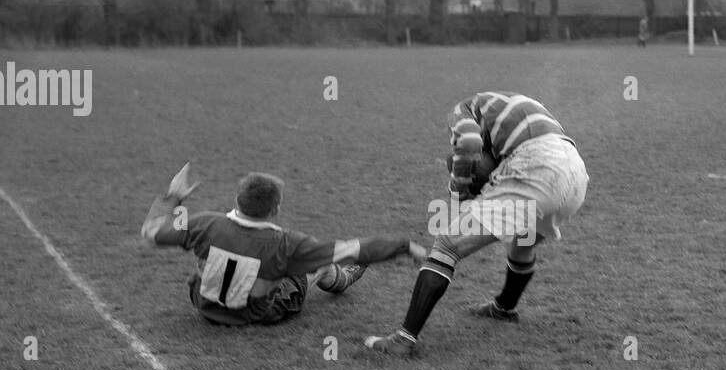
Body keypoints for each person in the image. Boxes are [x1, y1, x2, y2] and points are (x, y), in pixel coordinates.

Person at [363, 92, 588, 356]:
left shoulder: (463, 109)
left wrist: (459, 186)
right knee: (522, 245)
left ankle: (403, 340)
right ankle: (504, 308)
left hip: (535, 167)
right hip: (575, 173)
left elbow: (469, 142)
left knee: (447, 245)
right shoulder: (513, 105)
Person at [142, 164, 425, 326]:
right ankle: (341, 280)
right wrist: (403, 245)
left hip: (202, 304)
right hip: (255, 314)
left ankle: (334, 278)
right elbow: (354, 249)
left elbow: (152, 232)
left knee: (286, 263)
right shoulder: (287, 243)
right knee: (317, 262)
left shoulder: (204, 222)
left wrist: (172, 196)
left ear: (237, 199)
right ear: (275, 209)